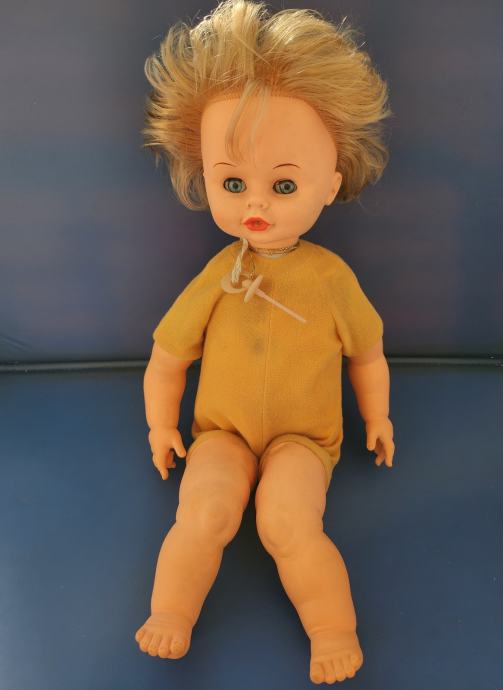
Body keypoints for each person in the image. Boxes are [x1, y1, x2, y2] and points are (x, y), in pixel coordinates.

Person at [135, 1, 395, 684]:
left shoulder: (330, 279)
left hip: (303, 440)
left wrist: (377, 417)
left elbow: (366, 353)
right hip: (219, 433)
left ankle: (332, 629)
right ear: (206, 178)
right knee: (205, 508)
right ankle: (170, 612)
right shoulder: (219, 275)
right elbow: (168, 357)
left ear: (330, 183)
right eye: (232, 182)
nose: (256, 203)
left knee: (288, 521)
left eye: (283, 184)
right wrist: (162, 424)